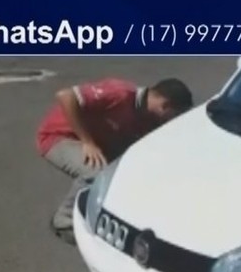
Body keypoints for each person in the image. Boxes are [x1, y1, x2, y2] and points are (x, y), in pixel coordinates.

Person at [36, 77, 194, 243]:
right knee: (97, 172)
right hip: (60, 136)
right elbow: (66, 96)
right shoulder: (121, 94)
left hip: (99, 141)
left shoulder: (149, 119)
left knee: (130, 170)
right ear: (165, 106)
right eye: (175, 115)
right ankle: (64, 221)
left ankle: (109, 217)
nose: (173, 120)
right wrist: (87, 142)